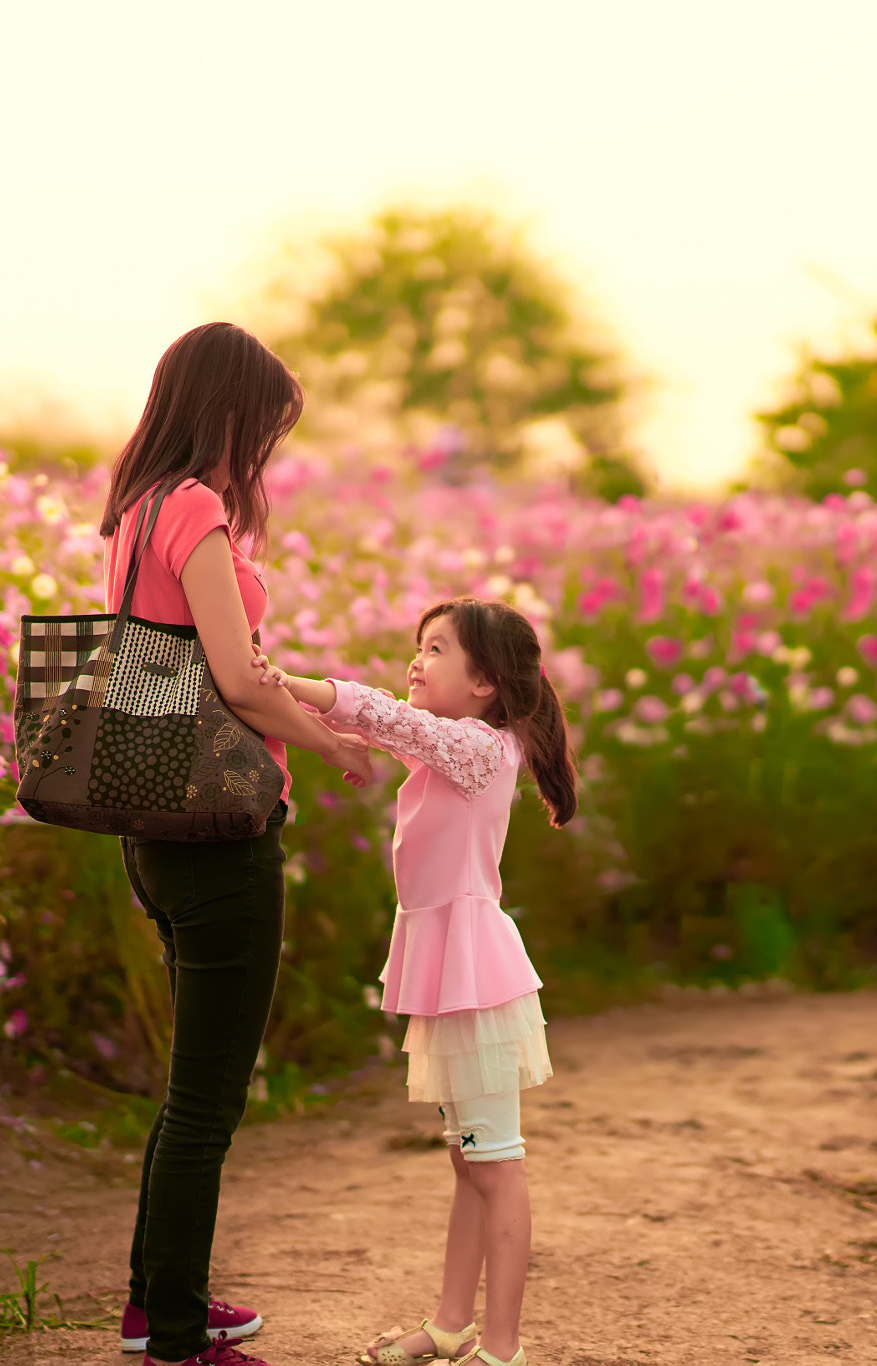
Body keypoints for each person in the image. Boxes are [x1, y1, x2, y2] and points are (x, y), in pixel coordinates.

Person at [100, 323, 377, 1366]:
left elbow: (192, 666)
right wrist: (335, 743)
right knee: (208, 1098)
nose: (264, 446)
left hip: (151, 824)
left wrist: (301, 702)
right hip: (218, 830)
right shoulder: (197, 506)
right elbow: (238, 678)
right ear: (225, 412)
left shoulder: (134, 512)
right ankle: (175, 1334)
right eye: (262, 423)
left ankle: (155, 1300)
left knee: (191, 1089)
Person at [250, 597, 577, 1366]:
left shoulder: (480, 748)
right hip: (448, 966)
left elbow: (387, 718)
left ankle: (501, 1350)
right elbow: (381, 725)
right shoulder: (459, 743)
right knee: (470, 1160)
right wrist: (320, 725)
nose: (417, 662)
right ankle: (451, 1324)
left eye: (436, 650)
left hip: (473, 972)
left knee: (497, 1164)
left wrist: (288, 680)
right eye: (418, 646)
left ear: (486, 682)